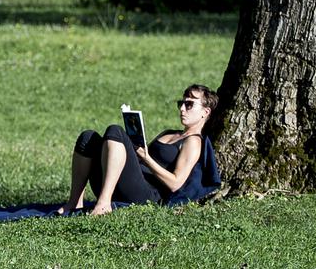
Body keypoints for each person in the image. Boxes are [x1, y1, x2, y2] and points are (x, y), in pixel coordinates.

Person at [60, 84, 221, 215]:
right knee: (87, 138)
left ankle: (104, 203)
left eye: (189, 104)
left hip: (147, 194)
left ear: (205, 112)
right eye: (181, 103)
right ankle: (74, 202)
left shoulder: (193, 142)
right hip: (129, 181)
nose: (182, 109)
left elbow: (175, 183)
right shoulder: (169, 133)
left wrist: (147, 159)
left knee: (115, 131)